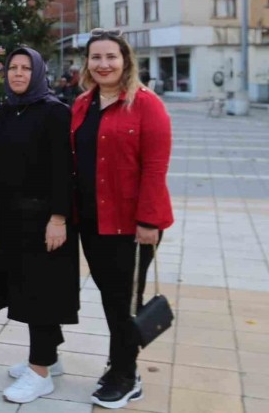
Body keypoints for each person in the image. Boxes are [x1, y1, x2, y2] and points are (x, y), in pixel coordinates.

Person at [72, 28, 173, 409]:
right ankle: (119, 362)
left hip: (131, 225)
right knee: (111, 297)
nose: (103, 64)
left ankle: (127, 377)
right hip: (92, 221)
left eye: (111, 57)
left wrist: (148, 221)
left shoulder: (146, 104)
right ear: (87, 63)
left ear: (125, 60)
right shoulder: (83, 104)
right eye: (96, 57)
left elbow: (156, 167)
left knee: (126, 301)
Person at [0, 47, 79, 403]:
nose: (18, 73)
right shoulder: (9, 109)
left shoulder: (54, 111)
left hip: (44, 220)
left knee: (42, 293)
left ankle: (39, 372)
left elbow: (63, 169)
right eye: (13, 67)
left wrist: (59, 218)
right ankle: (49, 357)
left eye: (26, 68)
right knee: (26, 289)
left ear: (38, 73)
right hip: (13, 219)